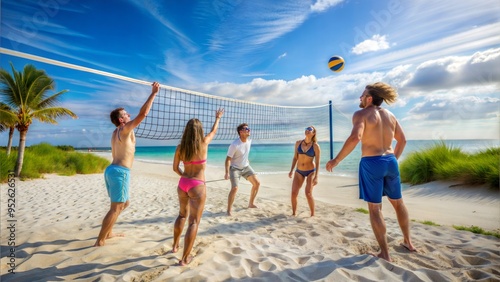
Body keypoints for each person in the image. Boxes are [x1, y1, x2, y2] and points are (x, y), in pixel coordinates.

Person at [326, 82, 416, 261]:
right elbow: (402, 141)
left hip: (371, 161)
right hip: (390, 160)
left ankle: (385, 253)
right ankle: (408, 242)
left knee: (375, 209)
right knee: (398, 203)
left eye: (362, 95)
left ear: (369, 98)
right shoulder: (390, 115)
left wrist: (336, 160)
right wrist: (392, 160)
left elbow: (355, 137)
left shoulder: (361, 114)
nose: (359, 98)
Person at [94, 82, 160, 247]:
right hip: (120, 172)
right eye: (126, 114)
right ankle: (100, 240)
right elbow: (143, 113)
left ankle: (108, 233)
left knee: (123, 203)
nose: (129, 115)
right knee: (116, 208)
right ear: (121, 120)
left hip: (112, 170)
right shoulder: (124, 129)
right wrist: (154, 93)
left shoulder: (115, 132)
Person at [172, 108, 224, 266]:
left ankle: (175, 246)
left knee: (182, 215)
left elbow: (175, 168)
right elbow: (214, 131)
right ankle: (185, 258)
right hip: (197, 184)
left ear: (186, 131)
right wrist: (218, 118)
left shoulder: (180, 147)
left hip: (183, 184)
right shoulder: (204, 142)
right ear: (200, 131)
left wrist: (184, 177)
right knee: (194, 222)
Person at [224, 123, 260, 216]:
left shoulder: (249, 141)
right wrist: (227, 172)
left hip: (246, 167)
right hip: (235, 168)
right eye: (246, 129)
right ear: (241, 132)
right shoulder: (234, 144)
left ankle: (251, 204)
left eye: (248, 128)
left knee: (257, 183)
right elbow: (228, 159)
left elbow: (244, 153)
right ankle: (229, 210)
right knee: (235, 188)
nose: (249, 130)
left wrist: (246, 160)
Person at [289, 125, 321, 217]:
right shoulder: (298, 143)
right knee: (294, 193)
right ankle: (294, 213)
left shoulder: (315, 146)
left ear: (313, 133)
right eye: (306, 129)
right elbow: (295, 158)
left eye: (310, 129)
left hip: (311, 171)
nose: (307, 130)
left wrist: (316, 177)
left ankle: (312, 215)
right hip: (299, 171)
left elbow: (318, 162)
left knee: (308, 193)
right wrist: (291, 170)